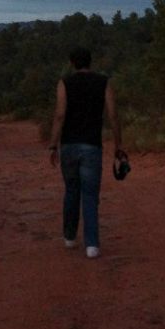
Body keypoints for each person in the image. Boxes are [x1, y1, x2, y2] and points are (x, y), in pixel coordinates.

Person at [47, 47, 124, 259]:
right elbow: (113, 115)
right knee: (90, 195)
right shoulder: (103, 82)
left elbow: (60, 115)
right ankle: (92, 244)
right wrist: (118, 145)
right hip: (92, 145)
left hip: (70, 145)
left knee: (71, 190)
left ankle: (70, 237)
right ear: (91, 62)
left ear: (72, 62)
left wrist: (53, 145)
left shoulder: (64, 83)